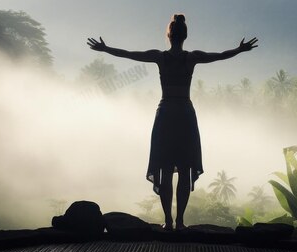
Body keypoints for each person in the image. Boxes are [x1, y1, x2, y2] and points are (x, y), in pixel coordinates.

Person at [87, 14, 258, 231]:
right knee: (185, 169)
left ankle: (168, 222)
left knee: (166, 169)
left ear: (168, 36)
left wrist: (106, 49)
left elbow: (130, 55)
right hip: (185, 114)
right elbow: (219, 56)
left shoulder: (160, 57)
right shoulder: (191, 57)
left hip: (166, 113)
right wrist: (239, 50)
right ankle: (180, 222)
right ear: (185, 36)